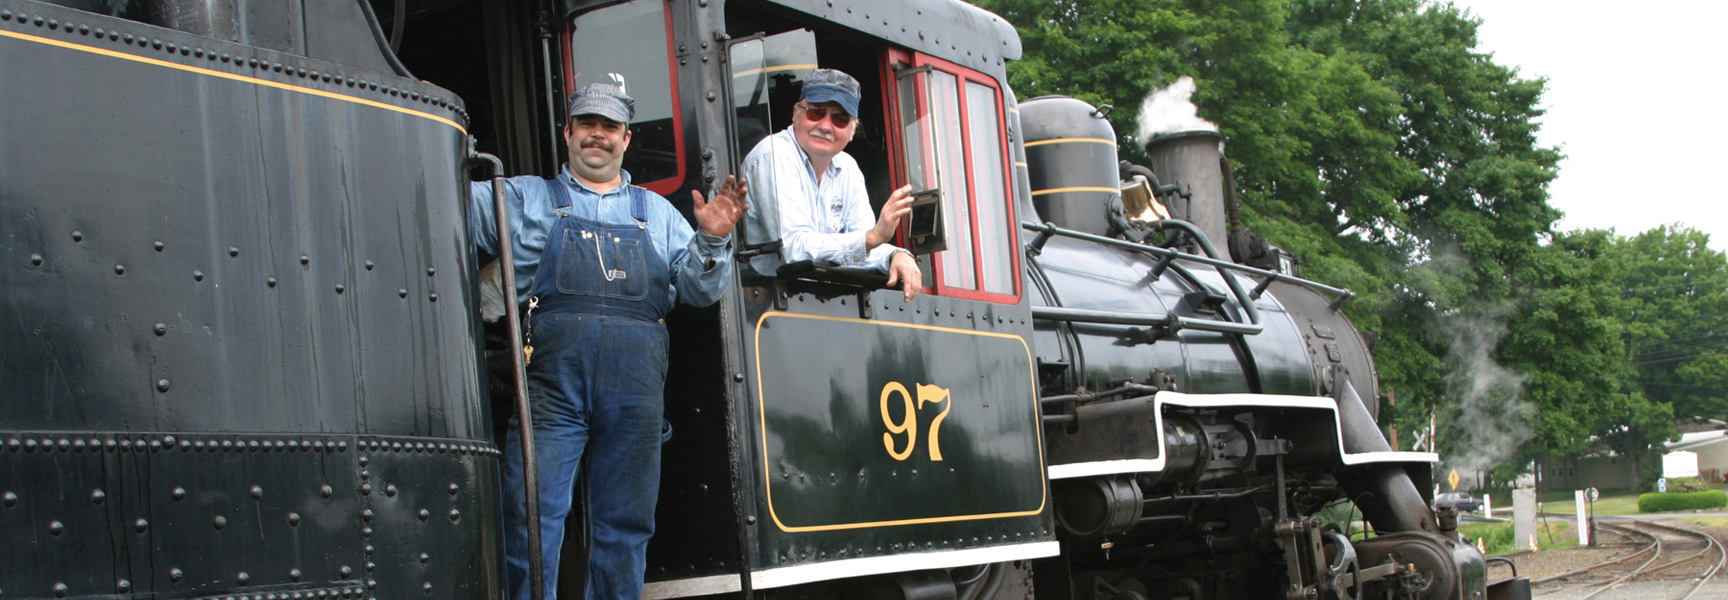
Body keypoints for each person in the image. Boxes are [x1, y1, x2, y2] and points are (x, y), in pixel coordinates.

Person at [468, 82, 747, 600]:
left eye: (610, 127)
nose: (598, 135)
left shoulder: (658, 213)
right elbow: (441, 206)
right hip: (552, 389)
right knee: (529, 514)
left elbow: (699, 292)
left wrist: (711, 238)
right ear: (568, 131)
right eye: (588, 124)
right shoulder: (520, 197)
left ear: (625, 138)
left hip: (635, 393)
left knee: (625, 525)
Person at [740, 68, 922, 300]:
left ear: (853, 129)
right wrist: (872, 237)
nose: (826, 126)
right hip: (762, 300)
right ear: (795, 114)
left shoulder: (848, 167)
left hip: (808, 299)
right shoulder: (774, 153)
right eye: (816, 112)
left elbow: (862, 250)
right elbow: (795, 248)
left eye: (840, 118)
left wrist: (896, 255)